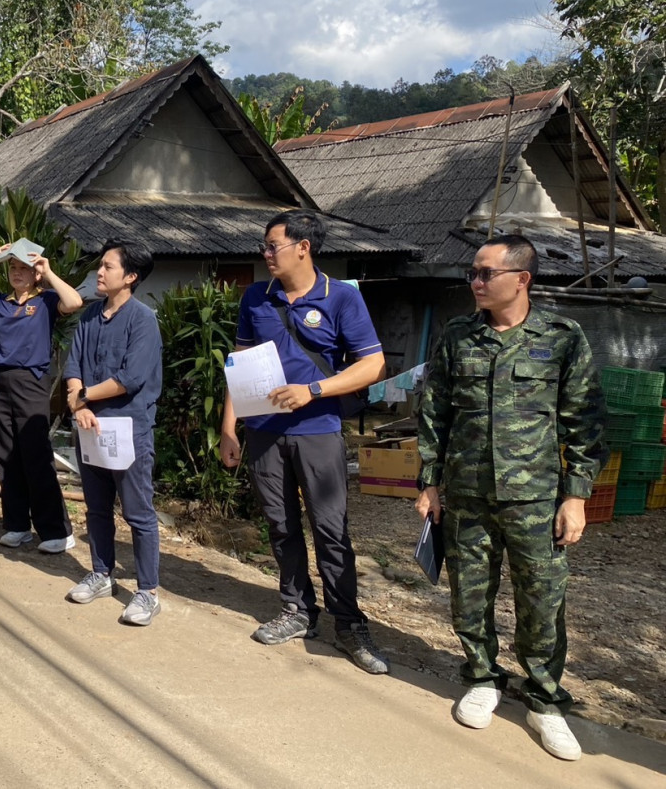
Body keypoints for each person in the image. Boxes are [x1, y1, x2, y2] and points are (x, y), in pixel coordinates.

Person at [415, 235, 605, 762]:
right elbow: (434, 413)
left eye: (486, 273)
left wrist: (576, 496)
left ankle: (544, 700)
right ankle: (481, 677)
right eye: (472, 274)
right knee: (469, 596)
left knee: (542, 602)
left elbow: (585, 421)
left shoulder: (561, 337)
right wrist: (429, 483)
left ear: (521, 279)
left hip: (535, 499)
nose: (475, 282)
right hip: (467, 495)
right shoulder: (458, 336)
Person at [219, 210, 389, 674]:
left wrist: (312, 390)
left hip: (318, 432)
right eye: (265, 246)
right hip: (264, 433)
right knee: (281, 526)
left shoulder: (341, 298)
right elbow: (239, 363)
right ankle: (297, 610)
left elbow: (372, 365)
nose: (266, 254)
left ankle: (348, 624)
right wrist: (229, 427)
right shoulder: (256, 296)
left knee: (331, 530)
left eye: (273, 245)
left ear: (304, 247)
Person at [0, 243, 84, 553]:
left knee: (35, 455)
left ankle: (56, 530)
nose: (16, 273)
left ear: (35, 274)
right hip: (2, 381)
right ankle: (17, 525)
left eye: (23, 268)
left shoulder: (46, 301)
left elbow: (75, 301)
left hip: (32, 382)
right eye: (12, 267)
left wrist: (48, 272)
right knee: (5, 454)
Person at [64, 239, 163, 626]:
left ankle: (147, 591)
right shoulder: (90, 315)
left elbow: (129, 379)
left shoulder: (143, 320)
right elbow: (73, 364)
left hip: (128, 429)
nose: (99, 272)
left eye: (108, 266)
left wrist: (82, 397)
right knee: (97, 507)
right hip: (90, 426)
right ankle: (101, 573)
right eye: (100, 265)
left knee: (138, 513)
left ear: (131, 276)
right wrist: (80, 404)